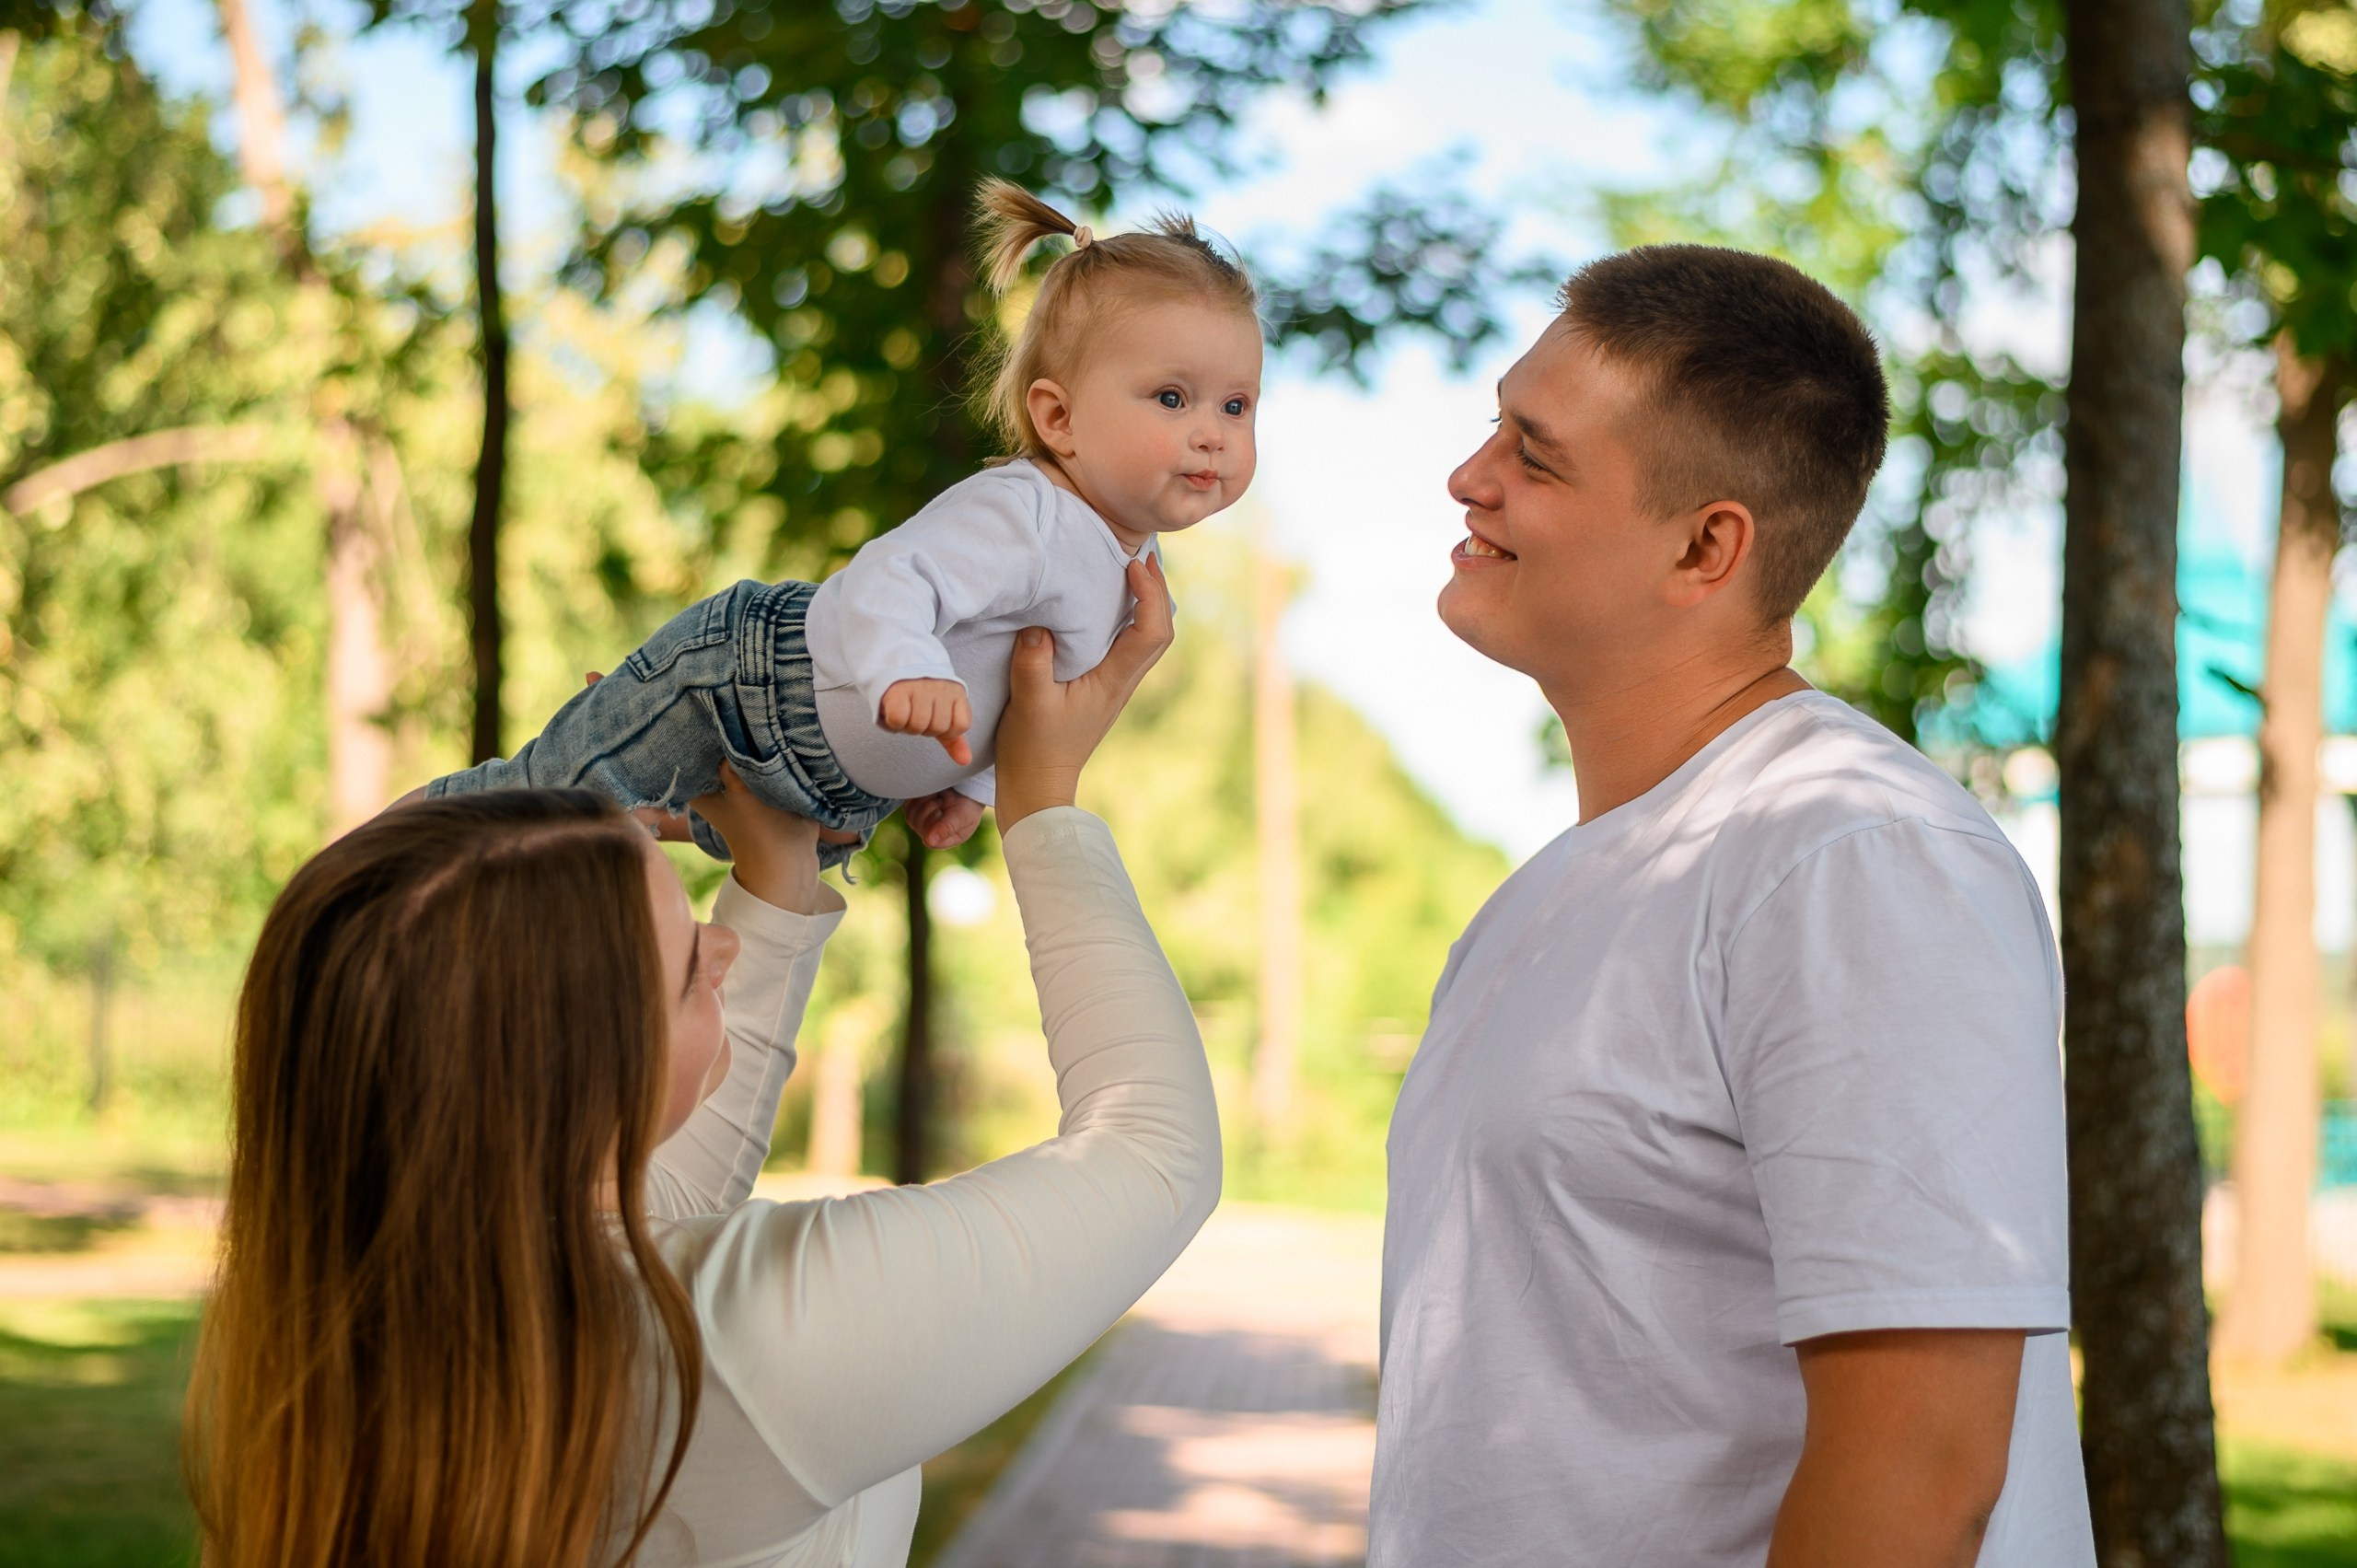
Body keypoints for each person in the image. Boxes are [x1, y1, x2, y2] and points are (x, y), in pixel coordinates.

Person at [185, 561, 1219, 1568]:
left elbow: (667, 1199)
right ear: (578, 1070)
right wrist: (1043, 803)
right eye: (686, 964)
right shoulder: (739, 1347)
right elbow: (1155, 1155)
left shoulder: (365, 1325)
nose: (719, 949)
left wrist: (777, 869)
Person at [1370, 247, 2095, 1566]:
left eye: (1534, 454)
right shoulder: (1553, 896)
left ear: (1708, 545)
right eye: (1494, 423)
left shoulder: (1853, 854)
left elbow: (1922, 1463)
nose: (1470, 476)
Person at [421, 180, 1261, 865]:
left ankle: (654, 802)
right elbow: (888, 580)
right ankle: (388, 853)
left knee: (771, 847)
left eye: (1236, 404)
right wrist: (906, 668)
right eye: (1172, 397)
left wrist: (970, 786)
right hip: (754, 690)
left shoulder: (1132, 564)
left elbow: (1029, 696)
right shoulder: (1028, 513)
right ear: (1059, 418)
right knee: (547, 805)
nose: (1212, 433)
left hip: (834, 779)